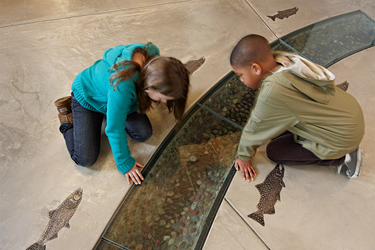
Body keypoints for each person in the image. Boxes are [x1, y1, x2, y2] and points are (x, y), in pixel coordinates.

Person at [230, 34, 365, 181]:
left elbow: (255, 128)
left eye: (240, 75)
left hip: (343, 138)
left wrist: (244, 156)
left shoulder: (273, 92)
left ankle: (344, 157)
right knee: (276, 130)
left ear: (256, 68)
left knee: (275, 151)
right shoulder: (283, 61)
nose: (241, 80)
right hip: (350, 113)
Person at [54, 43, 190, 185]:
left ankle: (113, 109)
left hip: (113, 97)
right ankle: (67, 119)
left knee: (143, 133)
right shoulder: (123, 85)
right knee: (85, 159)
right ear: (150, 85)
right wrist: (125, 163)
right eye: (162, 98)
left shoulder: (154, 61)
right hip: (87, 98)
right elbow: (114, 129)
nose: (163, 102)